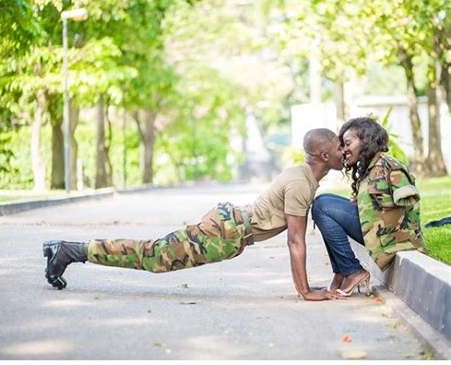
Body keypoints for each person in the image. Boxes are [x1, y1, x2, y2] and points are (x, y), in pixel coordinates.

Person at [43, 128, 345, 301]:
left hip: (228, 228)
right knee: (154, 256)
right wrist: (305, 291)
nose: (344, 152)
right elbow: (295, 241)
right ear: (324, 156)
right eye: (339, 148)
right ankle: (68, 251)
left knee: (154, 254)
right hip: (225, 231)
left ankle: (68, 250)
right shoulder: (301, 182)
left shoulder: (303, 176)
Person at [312, 117, 425, 296]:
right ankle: (342, 272)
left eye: (347, 143)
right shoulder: (371, 167)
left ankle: (352, 271)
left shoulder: (388, 165)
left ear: (366, 141)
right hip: (378, 232)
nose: (344, 149)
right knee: (322, 200)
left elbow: (409, 203)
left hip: (391, 238)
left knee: (322, 206)